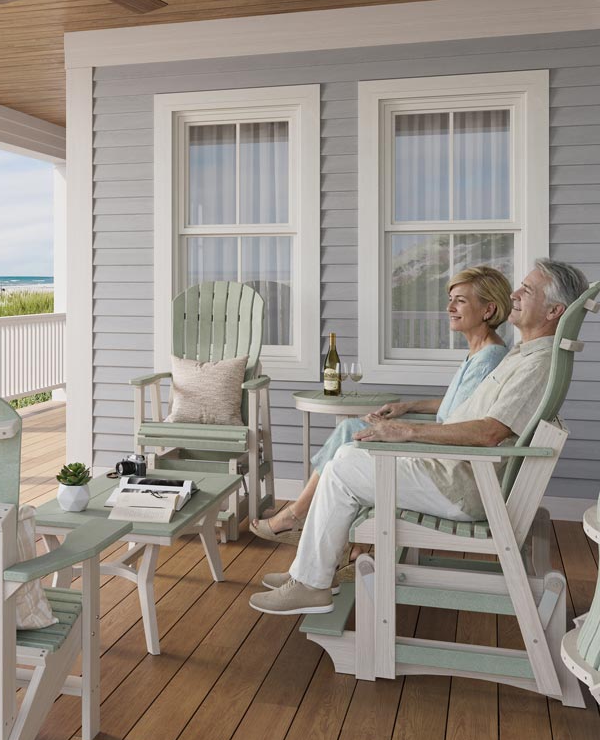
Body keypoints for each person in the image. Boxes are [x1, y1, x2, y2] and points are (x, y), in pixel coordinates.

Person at [250, 258, 589, 616]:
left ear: (554, 311)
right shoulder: (523, 355)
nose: (515, 294)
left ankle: (312, 583)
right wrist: (407, 419)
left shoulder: (535, 364)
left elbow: (490, 432)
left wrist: (407, 431)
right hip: (459, 472)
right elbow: (470, 413)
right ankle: (312, 575)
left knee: (343, 466)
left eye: (527, 290)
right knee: (348, 453)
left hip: (464, 484)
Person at [250, 265, 513, 546]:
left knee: (353, 437)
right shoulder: (479, 352)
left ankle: (300, 516)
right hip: (440, 452)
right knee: (352, 430)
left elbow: (459, 424)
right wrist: (409, 406)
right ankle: (339, 536)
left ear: (488, 310)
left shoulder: (489, 360)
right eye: (450, 300)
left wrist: (401, 429)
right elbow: (457, 405)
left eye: (460, 301)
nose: (449, 308)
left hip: (445, 464)